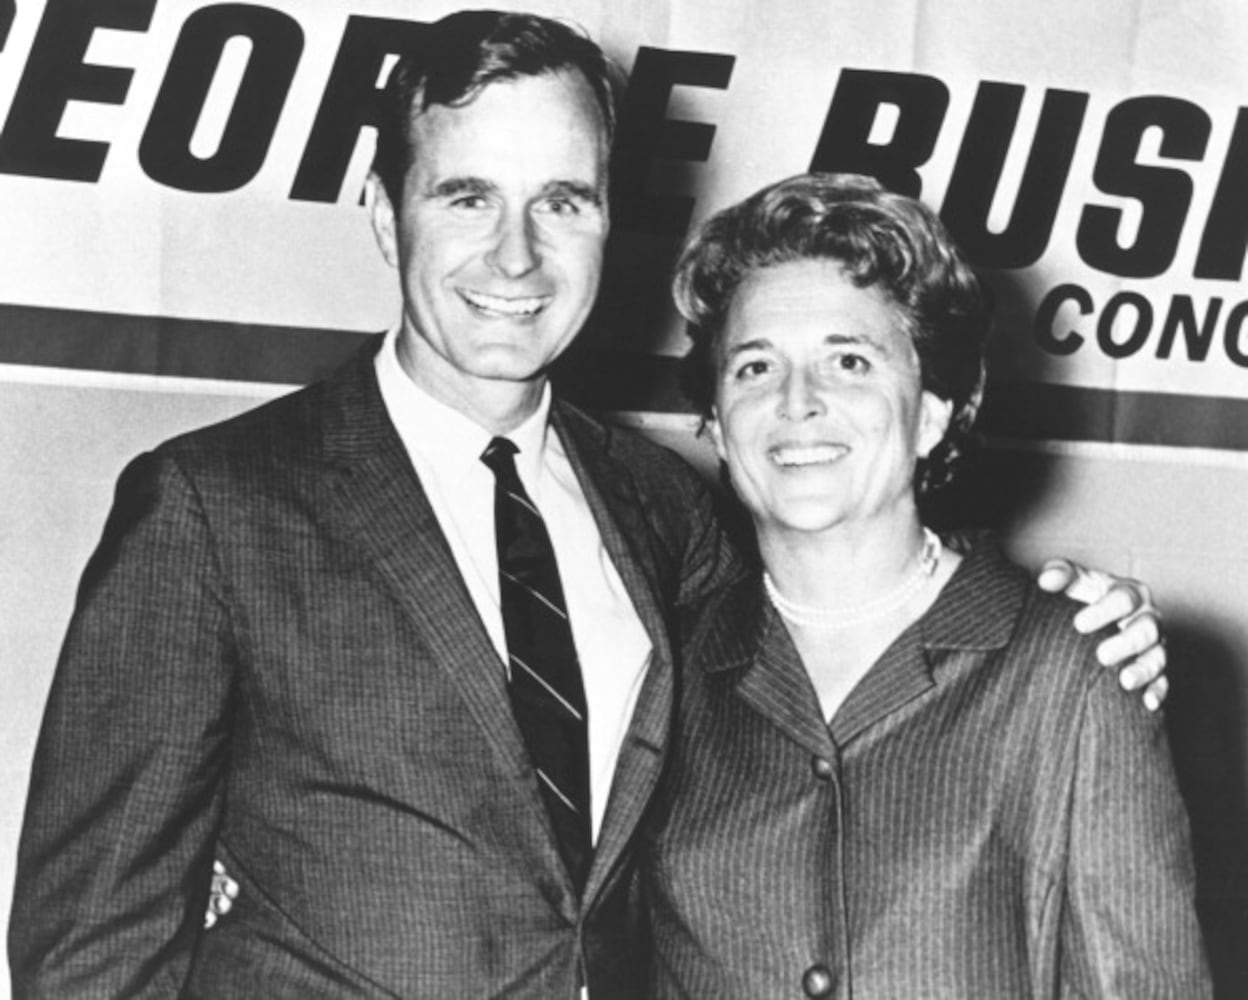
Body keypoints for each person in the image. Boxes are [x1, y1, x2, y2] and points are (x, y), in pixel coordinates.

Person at [8, 12, 1165, 999]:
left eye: (563, 201)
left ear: (612, 219)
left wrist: (1054, 617)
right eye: (467, 195)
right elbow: (88, 946)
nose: (515, 257)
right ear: (382, 211)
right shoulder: (214, 506)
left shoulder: (666, 512)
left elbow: (842, 610)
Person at [642, 172, 1209, 998]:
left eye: (849, 360)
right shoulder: (665, 668)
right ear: (718, 426)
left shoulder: (1065, 668)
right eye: (755, 366)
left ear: (934, 413)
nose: (797, 403)